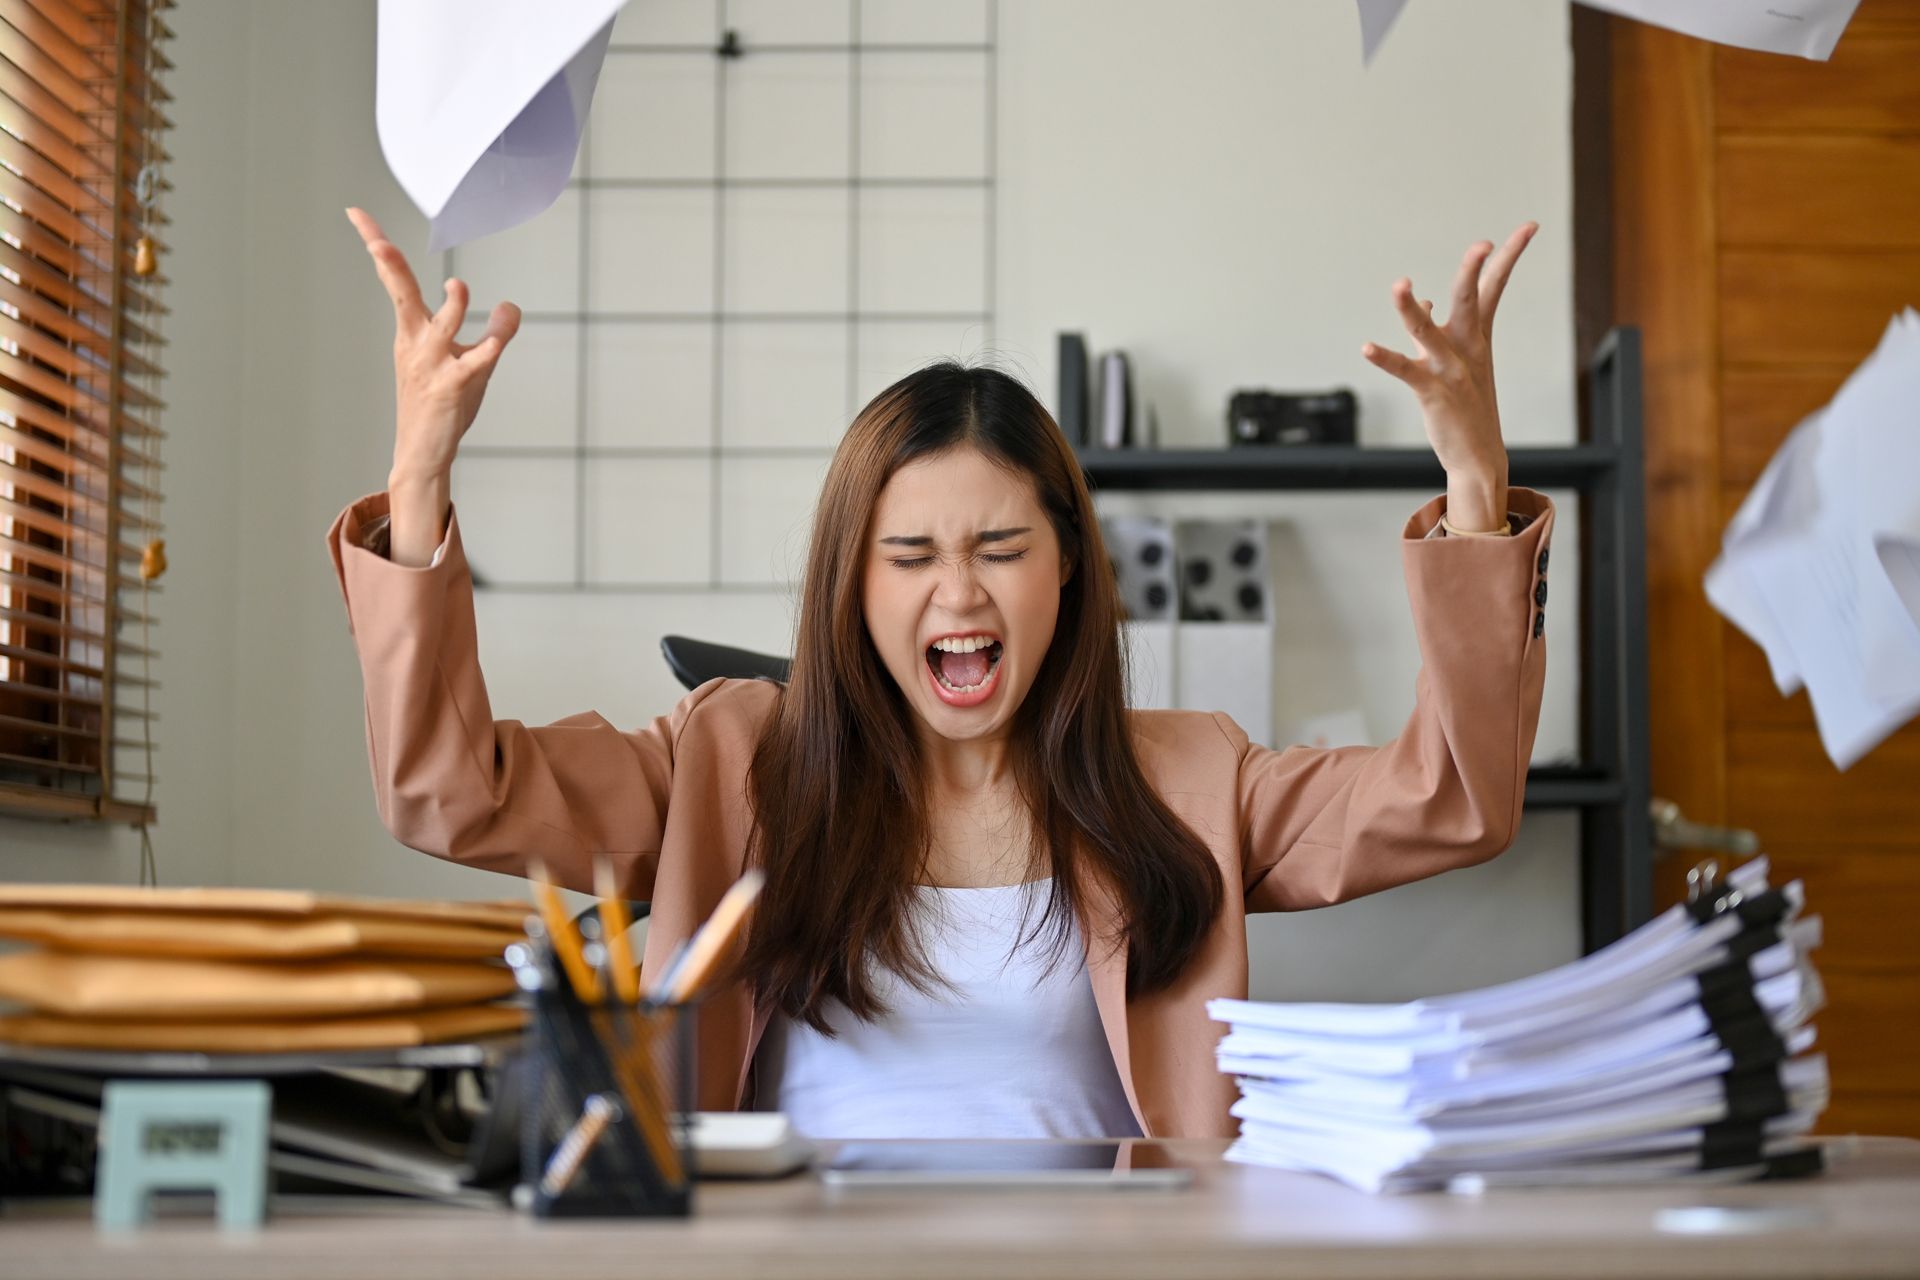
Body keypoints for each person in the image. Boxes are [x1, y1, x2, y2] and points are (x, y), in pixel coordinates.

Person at [330, 207, 1554, 1140]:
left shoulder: (1185, 776)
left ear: (1067, 565)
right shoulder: (727, 757)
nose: (957, 593)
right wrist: (424, 481)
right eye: (908, 554)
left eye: (1001, 548)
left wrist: (1474, 493)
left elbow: (1450, 795)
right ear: (852, 585)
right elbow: (451, 790)